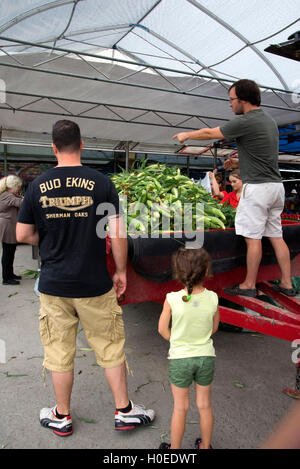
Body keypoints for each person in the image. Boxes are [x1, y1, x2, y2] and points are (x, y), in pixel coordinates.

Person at [16, 120, 155, 437]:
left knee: (59, 352)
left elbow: (22, 233)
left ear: (53, 148)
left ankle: (61, 416)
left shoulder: (37, 185)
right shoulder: (102, 182)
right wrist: (120, 271)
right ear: (82, 146)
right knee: (109, 347)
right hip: (95, 283)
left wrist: (49, 239)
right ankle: (124, 411)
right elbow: (117, 232)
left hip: (54, 285)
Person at [173, 79, 295, 298]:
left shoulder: (247, 120)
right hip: (276, 187)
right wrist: (239, 164)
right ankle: (287, 283)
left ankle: (248, 285)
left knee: (253, 238)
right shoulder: (269, 121)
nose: (229, 104)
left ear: (243, 100)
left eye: (231, 100)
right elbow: (264, 157)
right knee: (277, 236)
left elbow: (211, 133)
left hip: (257, 189)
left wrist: (187, 135)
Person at [158, 247, 219, 450]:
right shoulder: (213, 298)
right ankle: (206, 446)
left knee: (180, 407)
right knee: (204, 405)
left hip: (180, 359)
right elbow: (214, 328)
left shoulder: (171, 298)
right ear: (206, 271)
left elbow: (162, 329)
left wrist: (177, 343)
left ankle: (174, 451)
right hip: (205, 357)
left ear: (178, 273)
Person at [0, 175, 23, 285]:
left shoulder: (7, 194)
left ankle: (10, 274)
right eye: (18, 187)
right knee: (8, 252)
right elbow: (19, 203)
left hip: (9, 225)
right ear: (13, 187)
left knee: (10, 251)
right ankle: (6, 278)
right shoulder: (7, 196)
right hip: (7, 226)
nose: (19, 188)